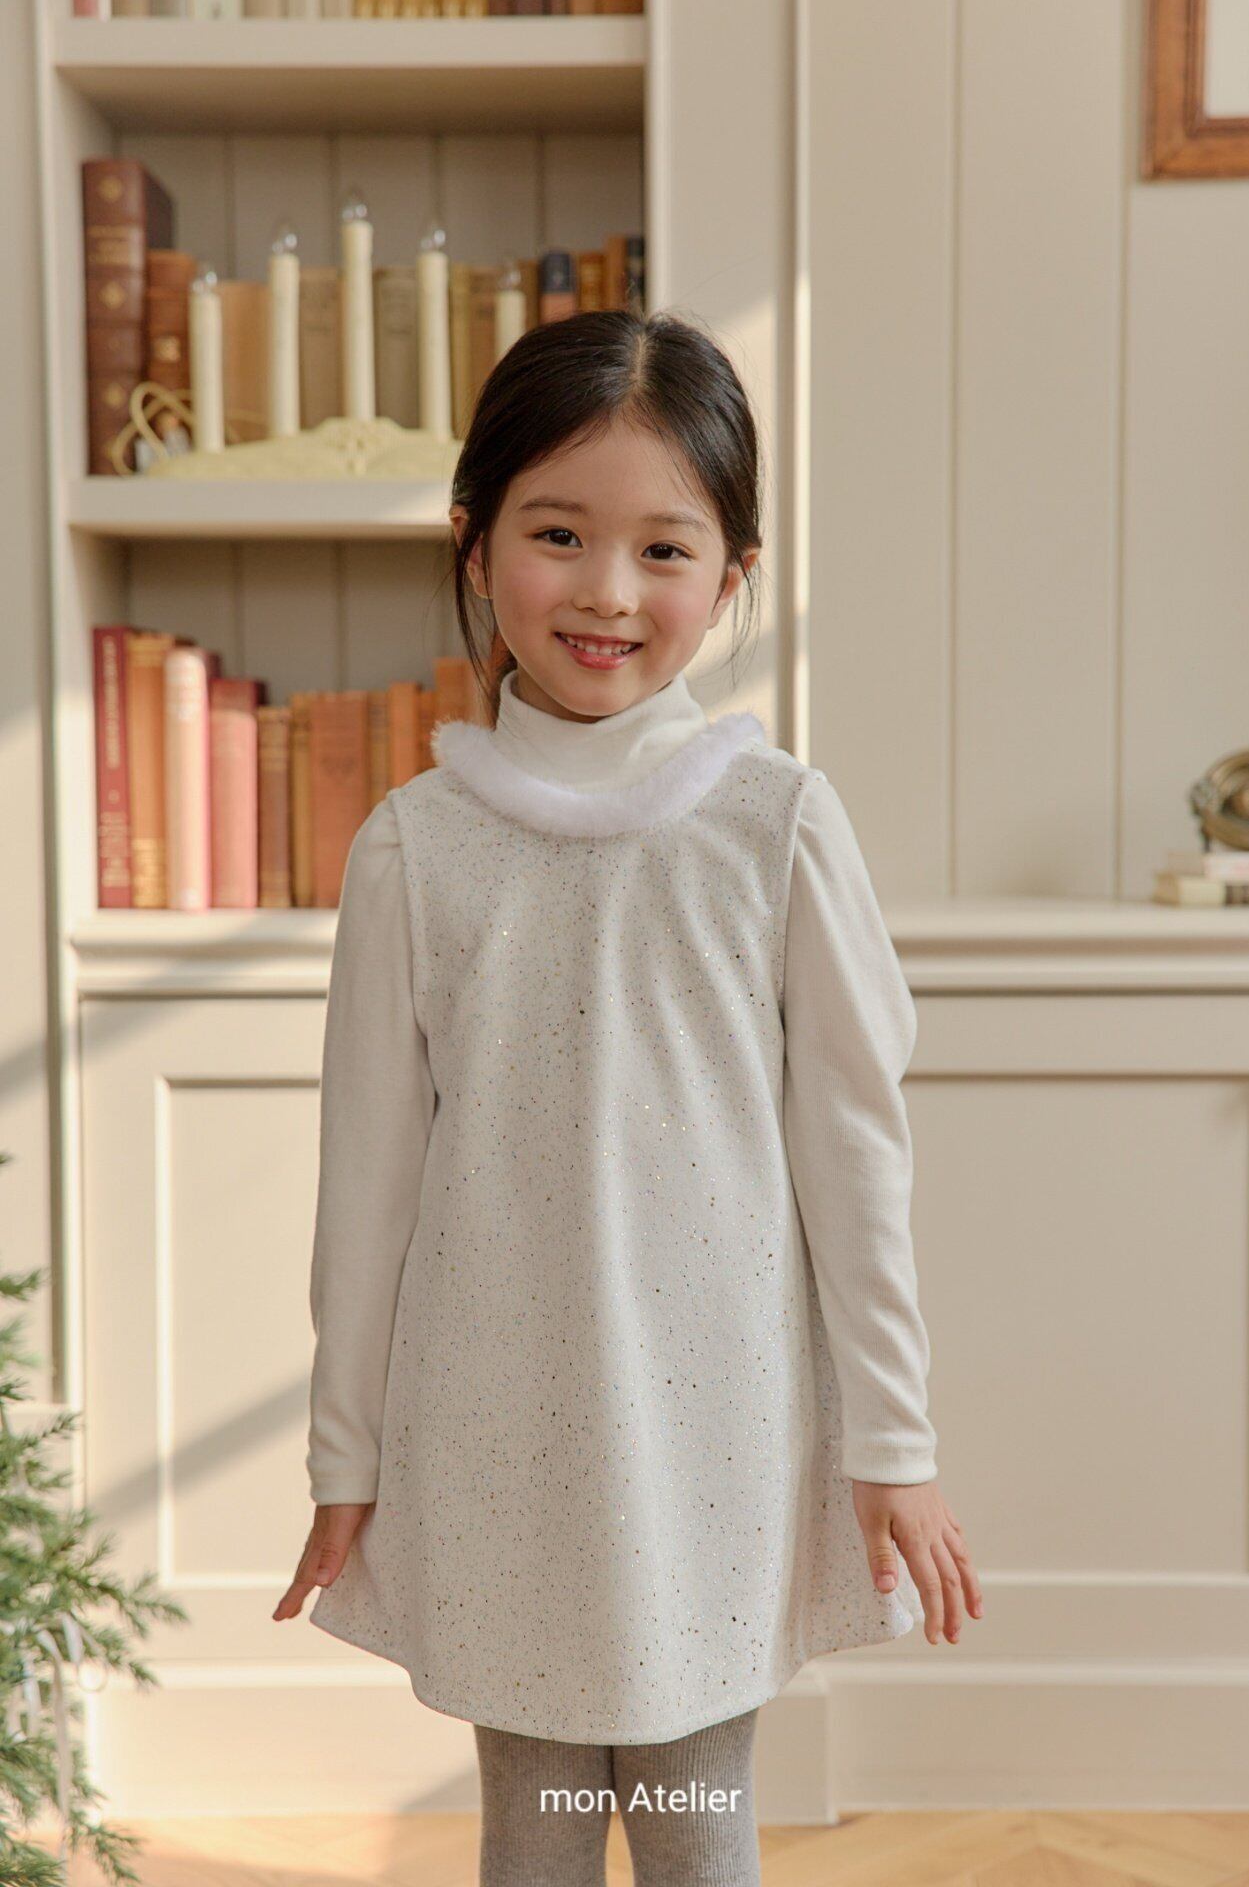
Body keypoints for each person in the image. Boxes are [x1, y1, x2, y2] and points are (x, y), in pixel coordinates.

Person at [272, 308, 983, 1886]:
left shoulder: (777, 826)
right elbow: (366, 1188)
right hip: (491, 1433)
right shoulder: (414, 847)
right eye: (558, 534)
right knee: (530, 1832)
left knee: (689, 1822)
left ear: (731, 579)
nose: (606, 590)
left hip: (715, 1433)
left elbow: (853, 1155)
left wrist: (896, 1438)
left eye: (664, 549)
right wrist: (344, 1461)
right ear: (476, 546)